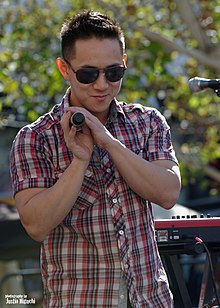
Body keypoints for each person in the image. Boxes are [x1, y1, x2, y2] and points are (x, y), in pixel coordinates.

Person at [10, 10, 181, 308]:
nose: (102, 84)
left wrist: (109, 142)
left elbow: (167, 193)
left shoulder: (148, 122)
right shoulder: (34, 137)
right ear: (64, 68)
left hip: (150, 300)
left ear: (124, 64)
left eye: (113, 72)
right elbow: (36, 225)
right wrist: (79, 162)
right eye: (88, 74)